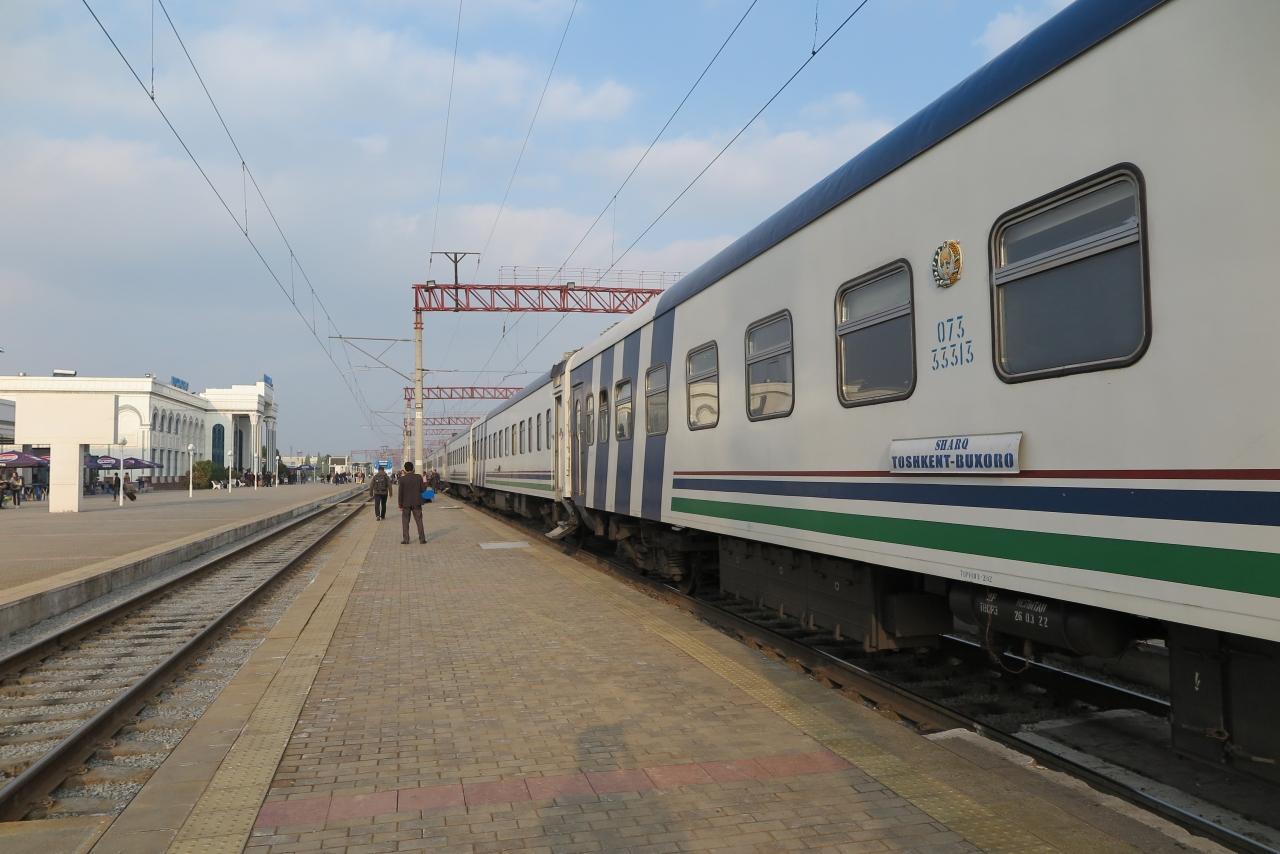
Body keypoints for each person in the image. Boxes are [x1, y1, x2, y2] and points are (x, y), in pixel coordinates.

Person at [397, 461, 426, 545]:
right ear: (413, 468)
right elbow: (423, 490)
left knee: (405, 522)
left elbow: (400, 493)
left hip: (406, 504)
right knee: (419, 521)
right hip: (417, 503)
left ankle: (406, 540)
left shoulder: (402, 479)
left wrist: (400, 505)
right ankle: (422, 539)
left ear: (405, 469)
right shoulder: (419, 477)